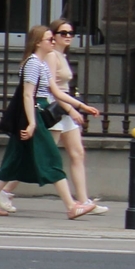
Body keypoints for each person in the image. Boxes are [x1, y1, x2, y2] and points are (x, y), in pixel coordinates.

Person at [0, 24, 93, 219]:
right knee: (51, 158)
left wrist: (81, 106)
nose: (53, 42)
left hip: (34, 112)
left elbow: (55, 91)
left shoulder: (40, 64)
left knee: (14, 160)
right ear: (38, 42)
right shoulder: (32, 63)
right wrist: (31, 123)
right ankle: (72, 206)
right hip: (32, 113)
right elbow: (28, 95)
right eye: (50, 39)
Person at [45, 17, 107, 214]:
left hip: (64, 110)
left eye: (71, 33)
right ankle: (3, 191)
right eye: (63, 33)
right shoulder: (51, 56)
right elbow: (52, 88)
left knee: (77, 153)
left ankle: (83, 200)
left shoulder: (62, 56)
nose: (68, 36)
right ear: (53, 36)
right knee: (43, 156)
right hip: (55, 110)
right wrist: (73, 109)